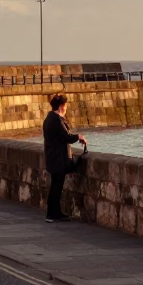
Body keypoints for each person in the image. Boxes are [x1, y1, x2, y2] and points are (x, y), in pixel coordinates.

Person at [42, 93, 87, 223]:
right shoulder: (56, 120)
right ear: (61, 106)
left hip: (52, 157)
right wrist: (79, 137)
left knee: (55, 186)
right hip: (58, 159)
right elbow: (66, 137)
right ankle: (53, 214)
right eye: (65, 106)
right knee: (57, 186)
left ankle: (53, 213)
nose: (66, 108)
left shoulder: (49, 118)